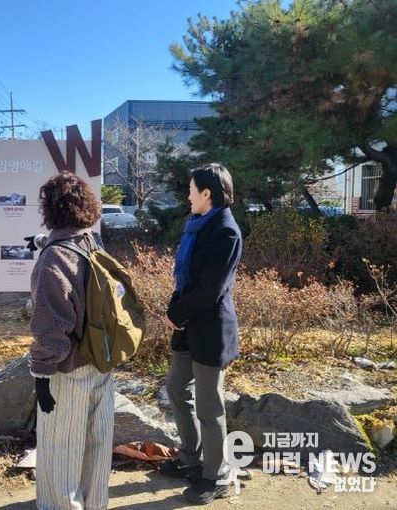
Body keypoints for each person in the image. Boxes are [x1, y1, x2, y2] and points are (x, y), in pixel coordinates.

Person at [29, 171, 114, 510]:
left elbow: (50, 325)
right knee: (96, 447)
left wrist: (41, 375)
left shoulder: (54, 259)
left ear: (50, 209)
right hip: (101, 360)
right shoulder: (93, 242)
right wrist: (41, 241)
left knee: (60, 452)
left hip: (68, 369)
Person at [162, 163, 243, 505]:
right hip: (188, 326)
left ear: (207, 194)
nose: (188, 196)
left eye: (191, 190)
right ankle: (190, 459)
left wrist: (176, 313)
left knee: (209, 407)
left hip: (210, 329)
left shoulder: (225, 232)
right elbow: (186, 279)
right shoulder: (197, 226)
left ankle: (216, 475)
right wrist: (176, 308)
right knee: (177, 389)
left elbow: (211, 290)